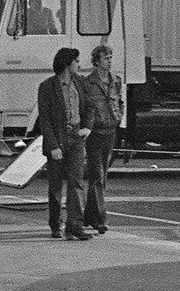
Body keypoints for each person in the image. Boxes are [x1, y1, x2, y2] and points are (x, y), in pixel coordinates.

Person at [37, 47, 92, 240]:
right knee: (55, 186)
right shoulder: (47, 87)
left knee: (76, 183)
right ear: (67, 64)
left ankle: (75, 225)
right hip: (58, 140)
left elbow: (89, 106)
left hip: (77, 138)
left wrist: (88, 126)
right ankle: (55, 224)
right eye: (76, 61)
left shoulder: (81, 83)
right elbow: (44, 119)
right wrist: (53, 146)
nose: (79, 64)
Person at [82, 45, 123, 233]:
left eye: (110, 57)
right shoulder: (88, 82)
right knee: (96, 174)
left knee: (102, 175)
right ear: (97, 61)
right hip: (96, 133)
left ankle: (89, 216)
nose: (109, 60)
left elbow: (119, 101)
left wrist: (119, 116)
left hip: (110, 131)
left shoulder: (115, 80)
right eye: (106, 57)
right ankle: (100, 219)